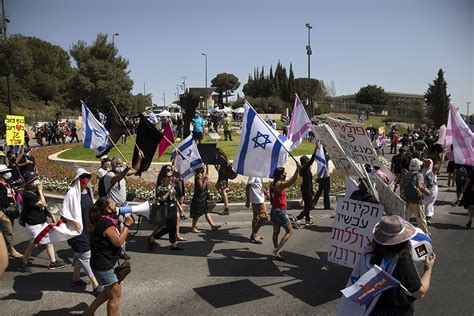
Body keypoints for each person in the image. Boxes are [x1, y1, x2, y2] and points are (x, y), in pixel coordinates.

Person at [369, 215, 436, 315]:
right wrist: (428, 268)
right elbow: (419, 293)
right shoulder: (401, 261)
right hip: (395, 311)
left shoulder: (370, 252)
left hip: (373, 308)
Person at [84, 198, 135, 316]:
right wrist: (127, 226)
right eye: (113, 204)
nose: (116, 205)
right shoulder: (105, 223)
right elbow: (118, 242)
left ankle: (88, 313)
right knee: (115, 297)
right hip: (105, 265)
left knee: (108, 293)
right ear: (108, 208)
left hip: (102, 262)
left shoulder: (100, 220)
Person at [18, 171, 65, 272]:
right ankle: (23, 263)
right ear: (28, 183)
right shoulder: (27, 194)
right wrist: (40, 191)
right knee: (34, 244)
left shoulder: (35, 191)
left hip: (42, 222)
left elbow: (45, 206)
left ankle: (53, 262)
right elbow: (42, 204)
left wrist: (51, 215)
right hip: (34, 224)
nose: (36, 182)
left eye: (36, 179)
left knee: (49, 241)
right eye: (33, 180)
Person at [65, 169, 100, 293]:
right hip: (77, 231)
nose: (85, 179)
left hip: (88, 230)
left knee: (79, 254)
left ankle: (75, 279)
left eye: (88, 176)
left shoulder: (88, 192)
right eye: (82, 176)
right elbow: (64, 214)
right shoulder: (71, 194)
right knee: (85, 256)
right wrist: (74, 222)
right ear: (77, 179)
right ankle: (95, 284)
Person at [269, 165, 300, 261]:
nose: (285, 174)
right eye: (284, 173)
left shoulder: (272, 184)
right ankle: (277, 249)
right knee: (290, 231)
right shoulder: (280, 184)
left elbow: (271, 198)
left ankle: (276, 253)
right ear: (280, 175)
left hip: (273, 210)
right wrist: (298, 169)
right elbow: (292, 181)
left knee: (276, 233)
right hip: (280, 211)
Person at [148, 168, 183, 251]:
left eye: (171, 176)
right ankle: (153, 237)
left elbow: (174, 198)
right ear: (164, 178)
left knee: (173, 227)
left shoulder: (172, 186)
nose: (170, 178)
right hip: (166, 209)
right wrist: (168, 192)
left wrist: (179, 207)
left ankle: (173, 245)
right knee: (168, 227)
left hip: (173, 208)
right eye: (168, 177)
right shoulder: (160, 188)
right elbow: (161, 199)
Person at [400, 158, 431, 235]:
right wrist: (428, 192)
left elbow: (401, 185)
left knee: (406, 219)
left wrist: (402, 195)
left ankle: (402, 234)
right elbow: (420, 187)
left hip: (407, 200)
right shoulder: (419, 175)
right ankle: (425, 234)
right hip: (416, 201)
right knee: (421, 220)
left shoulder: (406, 174)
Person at [0, 164, 22, 259]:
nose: (8, 173)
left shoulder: (8, 184)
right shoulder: (0, 186)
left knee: (6, 232)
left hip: (11, 212)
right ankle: (11, 250)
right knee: (8, 232)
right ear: (1, 174)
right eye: (6, 172)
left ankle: (4, 248)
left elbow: (17, 174)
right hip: (3, 213)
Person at [190, 166, 221, 233]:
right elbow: (201, 188)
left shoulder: (201, 176)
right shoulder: (198, 176)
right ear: (200, 169)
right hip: (199, 198)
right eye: (203, 167)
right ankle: (193, 227)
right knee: (197, 213)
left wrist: (207, 167)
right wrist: (205, 181)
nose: (204, 168)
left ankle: (212, 225)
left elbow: (206, 175)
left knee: (206, 211)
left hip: (203, 197)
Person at [294, 144, 318, 227]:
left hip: (307, 189)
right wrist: (315, 149)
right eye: (307, 161)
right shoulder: (304, 168)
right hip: (306, 190)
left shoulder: (304, 169)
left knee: (307, 206)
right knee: (310, 206)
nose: (308, 162)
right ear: (304, 162)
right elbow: (312, 160)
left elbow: (308, 181)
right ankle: (298, 218)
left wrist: (312, 190)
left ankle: (307, 220)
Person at [245, 176, 268, 244]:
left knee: (256, 218)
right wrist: (248, 200)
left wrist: (264, 192)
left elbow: (256, 187)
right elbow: (248, 187)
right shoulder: (253, 175)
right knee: (265, 217)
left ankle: (254, 235)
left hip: (258, 199)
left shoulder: (258, 175)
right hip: (257, 200)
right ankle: (254, 234)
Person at [214, 148, 230, 215]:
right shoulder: (225, 158)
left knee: (223, 192)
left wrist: (214, 164)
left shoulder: (219, 159)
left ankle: (226, 208)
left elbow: (218, 169)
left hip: (222, 176)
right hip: (225, 176)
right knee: (217, 186)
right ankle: (223, 199)